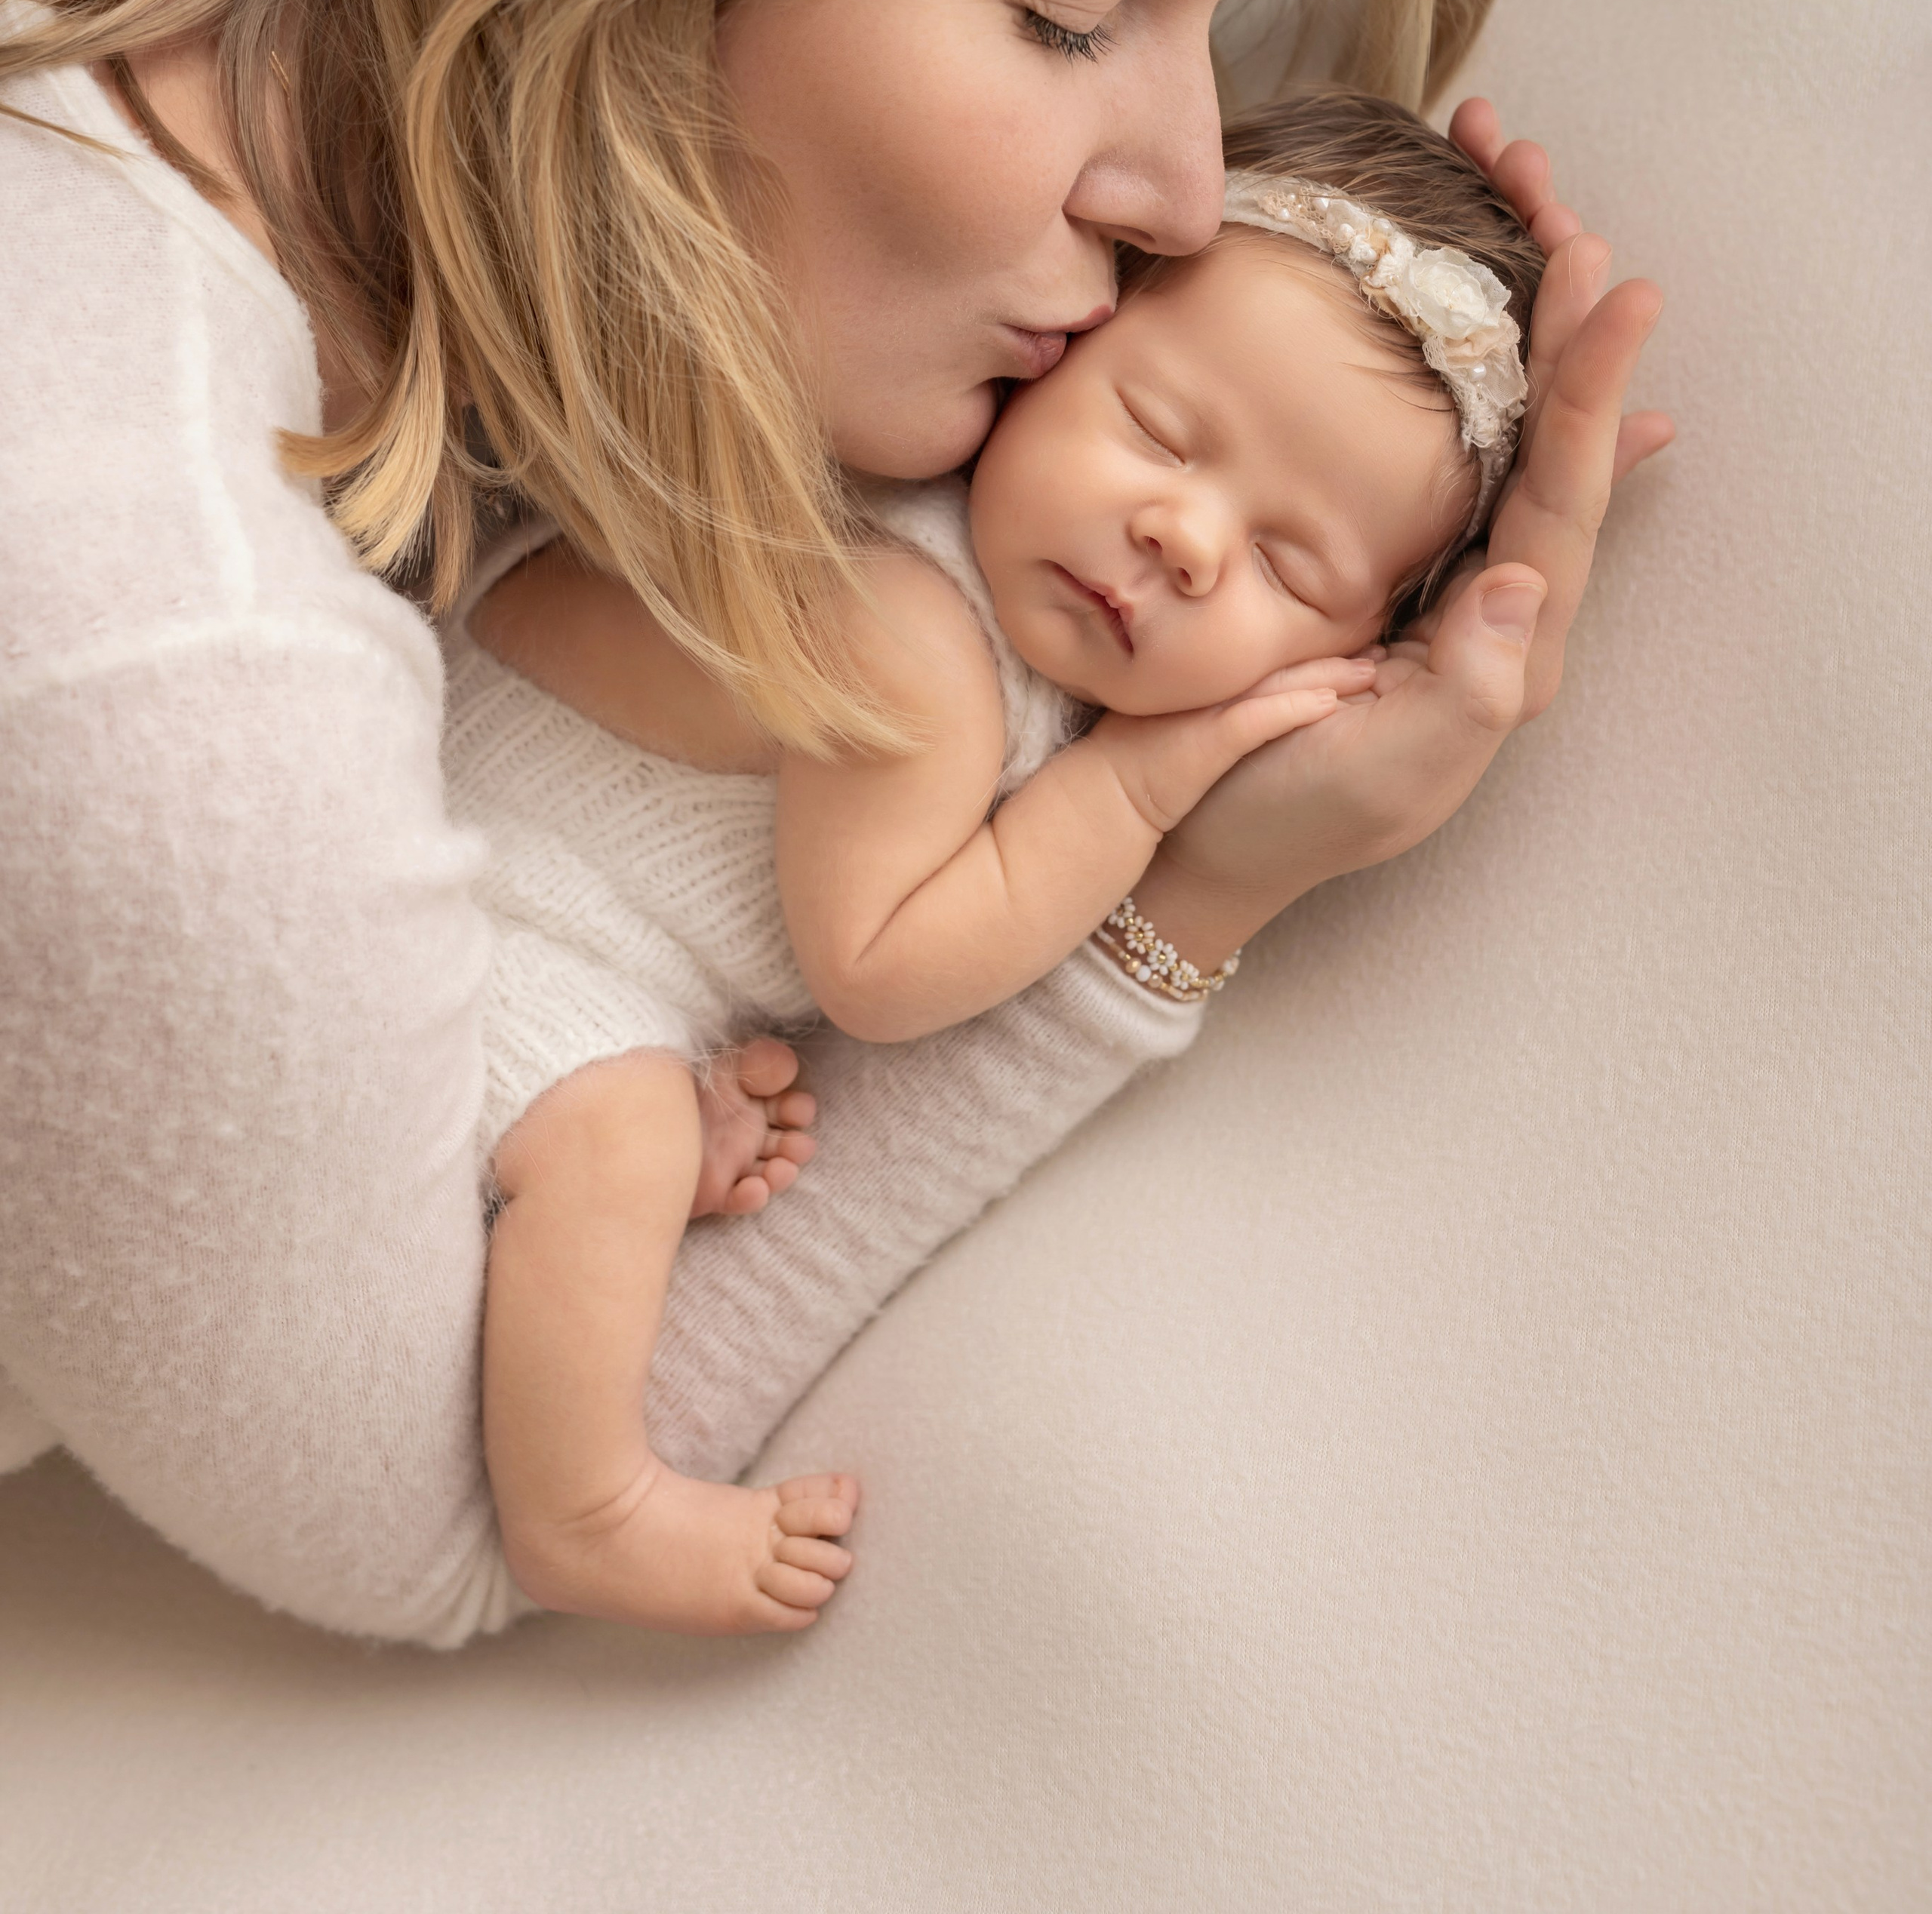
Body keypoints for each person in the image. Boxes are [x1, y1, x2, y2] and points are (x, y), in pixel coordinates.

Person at [0, 0, 1667, 1646]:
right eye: (1074, 14)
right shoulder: (149, 667)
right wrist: (1198, 882)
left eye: (1214, 28)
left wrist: (1381, 286)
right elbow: (449, 1522)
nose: (1192, 188)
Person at [467, 89, 1571, 1636]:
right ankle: (584, 1509)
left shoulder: (976, 598)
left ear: (1349, 652)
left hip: (535, 915)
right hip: (472, 923)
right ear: (1063, 344)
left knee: (652, 1111)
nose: (1183, 537)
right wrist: (1136, 788)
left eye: (1283, 563)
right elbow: (887, 973)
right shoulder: (910, 633)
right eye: (1160, 432)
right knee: (621, 1140)